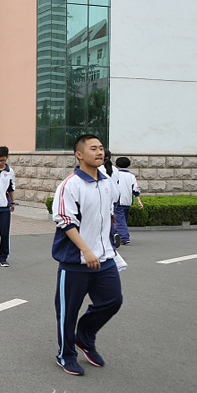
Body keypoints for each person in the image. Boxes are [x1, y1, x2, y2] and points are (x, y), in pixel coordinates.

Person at [52, 134, 123, 376]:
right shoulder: (70, 184)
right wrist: (85, 249)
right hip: (76, 262)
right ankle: (66, 354)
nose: (99, 152)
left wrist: (109, 243)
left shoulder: (107, 182)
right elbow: (65, 220)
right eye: (93, 148)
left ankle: (83, 336)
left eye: (101, 148)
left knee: (112, 300)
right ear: (79, 154)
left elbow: (109, 214)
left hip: (104, 259)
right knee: (68, 312)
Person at [114, 157, 143, 245]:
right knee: (123, 219)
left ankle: (124, 237)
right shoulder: (131, 176)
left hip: (119, 200)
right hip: (128, 201)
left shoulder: (116, 174)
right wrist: (139, 200)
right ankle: (116, 234)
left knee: (119, 219)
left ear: (117, 164)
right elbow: (135, 189)